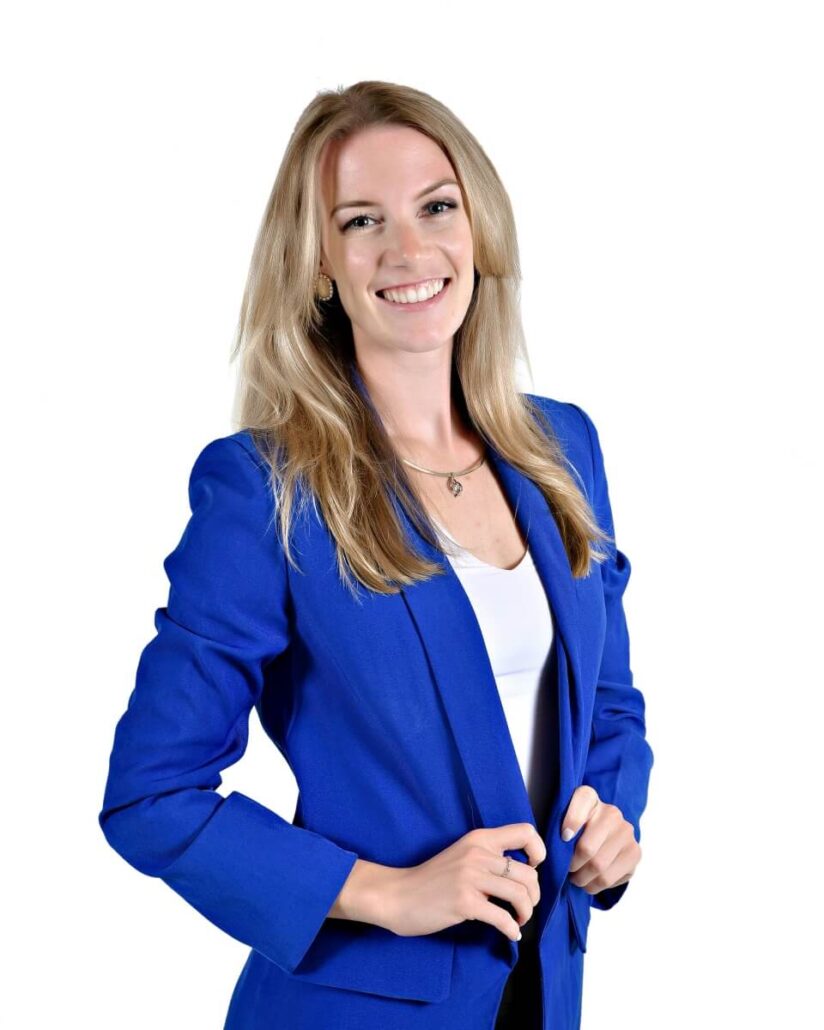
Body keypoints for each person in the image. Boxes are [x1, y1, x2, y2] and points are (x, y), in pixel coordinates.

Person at [98, 80, 654, 1030]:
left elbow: (606, 703)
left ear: (478, 227)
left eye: (436, 207)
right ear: (319, 264)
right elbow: (153, 792)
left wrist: (615, 821)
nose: (409, 250)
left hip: (546, 993)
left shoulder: (562, 450)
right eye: (362, 221)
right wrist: (391, 893)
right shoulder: (266, 488)